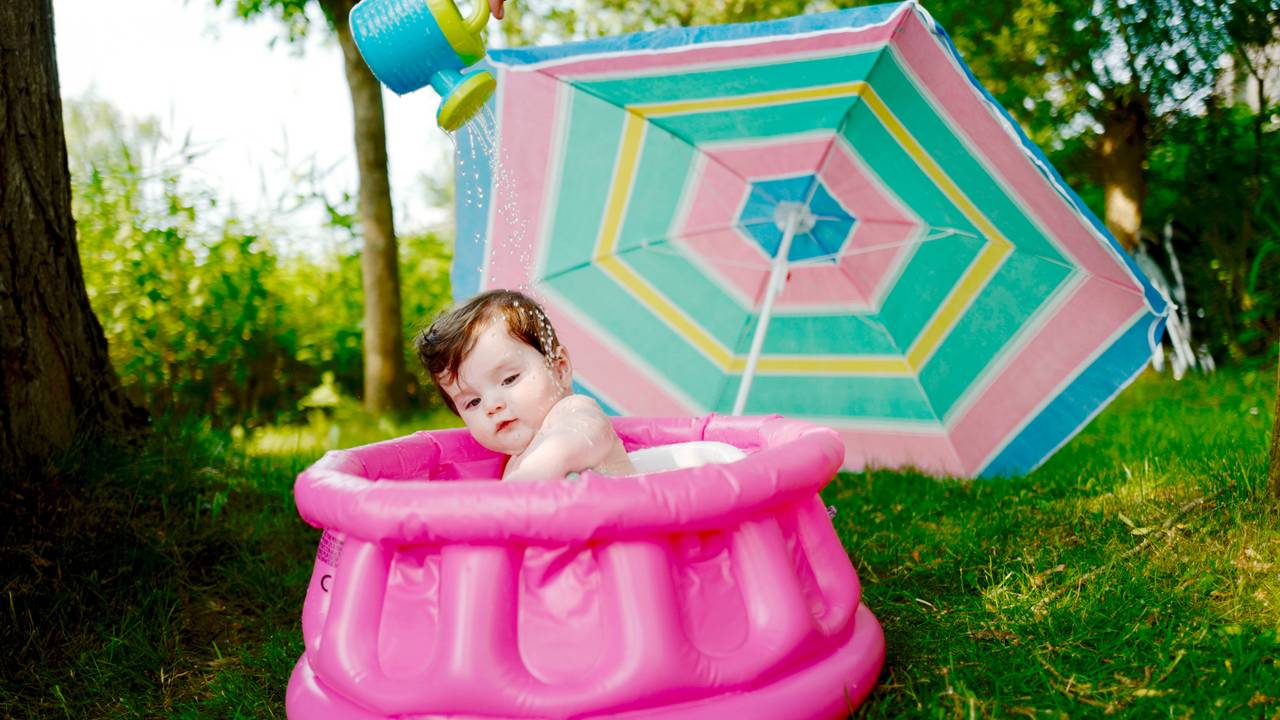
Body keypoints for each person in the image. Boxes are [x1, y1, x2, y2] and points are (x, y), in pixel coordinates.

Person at [415, 289, 636, 481]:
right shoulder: (514, 462)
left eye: (509, 379)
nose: (491, 406)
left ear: (560, 369)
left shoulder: (574, 411)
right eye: (473, 402)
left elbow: (573, 441)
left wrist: (511, 490)